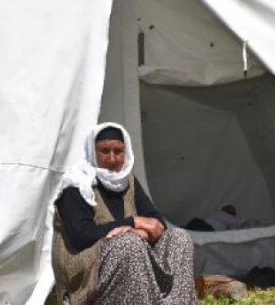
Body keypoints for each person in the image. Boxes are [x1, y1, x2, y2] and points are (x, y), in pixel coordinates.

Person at [52, 122, 198, 305]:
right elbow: (81, 236)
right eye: (104, 151)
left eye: (118, 151)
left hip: (132, 262)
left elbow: (157, 223)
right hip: (88, 273)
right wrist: (133, 222)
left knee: (179, 238)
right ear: (92, 152)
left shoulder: (128, 182)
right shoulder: (76, 185)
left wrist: (139, 231)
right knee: (128, 244)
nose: (112, 158)